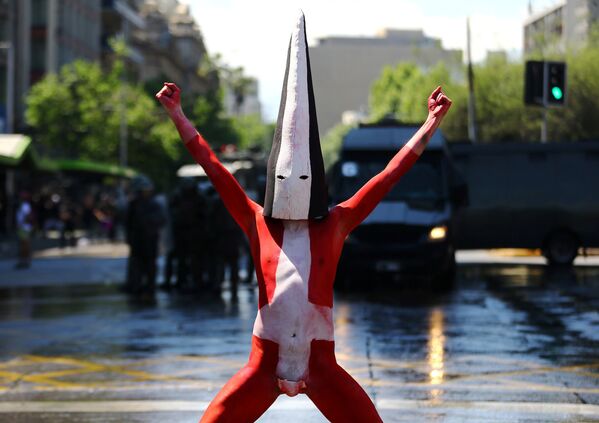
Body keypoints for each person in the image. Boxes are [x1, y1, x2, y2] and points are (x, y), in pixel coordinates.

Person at [156, 12, 451, 422]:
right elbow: (213, 166)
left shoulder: (336, 222)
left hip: (321, 365)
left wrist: (430, 124)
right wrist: (177, 114)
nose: (292, 182)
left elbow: (387, 177)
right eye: (284, 176)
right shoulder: (256, 219)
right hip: (263, 364)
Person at [125, 176, 166, 294]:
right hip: (137, 241)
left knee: (150, 266)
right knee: (136, 265)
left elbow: (161, 220)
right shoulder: (133, 204)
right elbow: (128, 223)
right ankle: (136, 286)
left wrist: (148, 223)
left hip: (150, 240)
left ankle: (149, 287)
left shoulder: (154, 204)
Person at [15, 191, 33, 269]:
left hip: (24, 228)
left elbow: (28, 216)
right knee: (22, 244)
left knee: (24, 245)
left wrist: (22, 224)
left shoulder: (25, 205)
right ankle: (23, 261)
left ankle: (25, 261)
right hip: (22, 228)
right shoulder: (21, 206)